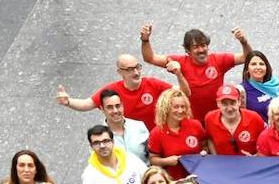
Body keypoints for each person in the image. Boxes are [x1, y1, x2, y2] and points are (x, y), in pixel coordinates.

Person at [140, 24, 253, 122]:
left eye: (203, 45)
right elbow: (150, 58)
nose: (201, 50)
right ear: (188, 50)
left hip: (218, 119)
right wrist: (145, 40)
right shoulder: (180, 62)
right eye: (195, 47)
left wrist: (244, 42)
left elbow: (247, 57)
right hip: (191, 120)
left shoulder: (219, 60)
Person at [55, 53, 189, 130]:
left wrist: (179, 74)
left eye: (137, 67)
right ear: (120, 72)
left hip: (157, 137)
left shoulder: (153, 84)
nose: (136, 72)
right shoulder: (112, 90)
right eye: (130, 69)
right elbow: (87, 104)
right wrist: (68, 102)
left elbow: (184, 93)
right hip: (132, 141)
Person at [147, 88, 205, 180]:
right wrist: (166, 161)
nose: (180, 110)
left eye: (183, 106)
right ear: (166, 108)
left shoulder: (195, 125)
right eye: (176, 107)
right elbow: (153, 160)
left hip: (199, 179)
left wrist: (204, 152)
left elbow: (204, 145)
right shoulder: (157, 133)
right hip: (175, 182)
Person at [203, 84, 264, 156]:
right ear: (218, 104)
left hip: (250, 165)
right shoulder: (210, 119)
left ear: (239, 102)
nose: (229, 108)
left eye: (233, 103)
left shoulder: (254, 118)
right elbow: (210, 139)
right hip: (222, 165)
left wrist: (256, 157)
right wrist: (215, 157)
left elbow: (266, 142)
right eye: (225, 104)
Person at [97, 88, 151, 162]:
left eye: (118, 106)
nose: (115, 111)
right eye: (110, 107)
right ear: (102, 109)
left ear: (122, 105)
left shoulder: (139, 127)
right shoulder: (98, 137)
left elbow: (152, 156)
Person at [240, 50, 279, 121]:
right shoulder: (241, 90)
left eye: (261, 64)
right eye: (253, 64)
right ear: (247, 69)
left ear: (266, 67)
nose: (258, 67)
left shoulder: (275, 84)